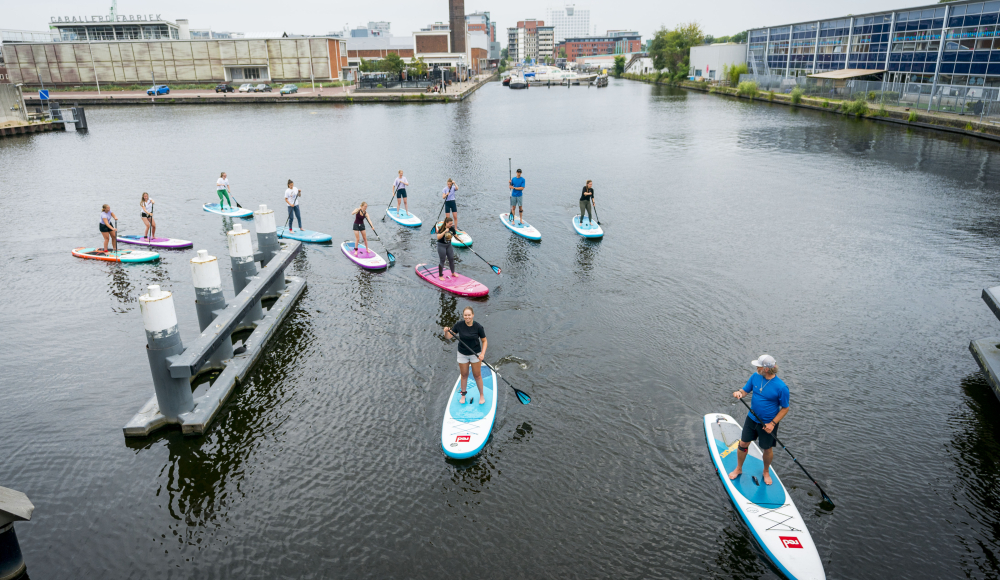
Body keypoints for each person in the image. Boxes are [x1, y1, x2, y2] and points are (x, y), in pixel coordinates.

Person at [728, 355, 790, 486]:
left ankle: (766, 471)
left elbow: (785, 408)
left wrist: (772, 424)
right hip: (751, 419)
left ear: (766, 369)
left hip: (767, 424)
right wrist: (739, 393)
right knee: (743, 444)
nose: (756, 367)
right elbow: (745, 391)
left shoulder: (781, 387)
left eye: (759, 366)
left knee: (766, 449)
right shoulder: (755, 376)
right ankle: (739, 468)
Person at [443, 306, 488, 405]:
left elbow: (484, 341)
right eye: (465, 315)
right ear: (463, 316)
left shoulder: (478, 327)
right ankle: (463, 395)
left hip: (475, 354)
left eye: (469, 315)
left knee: (477, 375)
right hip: (462, 354)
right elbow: (448, 337)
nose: (467, 317)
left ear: (472, 315)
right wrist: (446, 331)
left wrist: (482, 354)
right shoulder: (459, 325)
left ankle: (481, 395)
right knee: (464, 375)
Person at [435, 216, 458, 280]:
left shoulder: (451, 228)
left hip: (448, 245)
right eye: (450, 224)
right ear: (446, 223)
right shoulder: (441, 228)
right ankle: (440, 275)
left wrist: (460, 239)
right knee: (442, 260)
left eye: (452, 224)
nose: (451, 225)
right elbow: (438, 237)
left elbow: (456, 236)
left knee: (451, 259)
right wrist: (445, 231)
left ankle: (453, 272)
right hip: (441, 245)